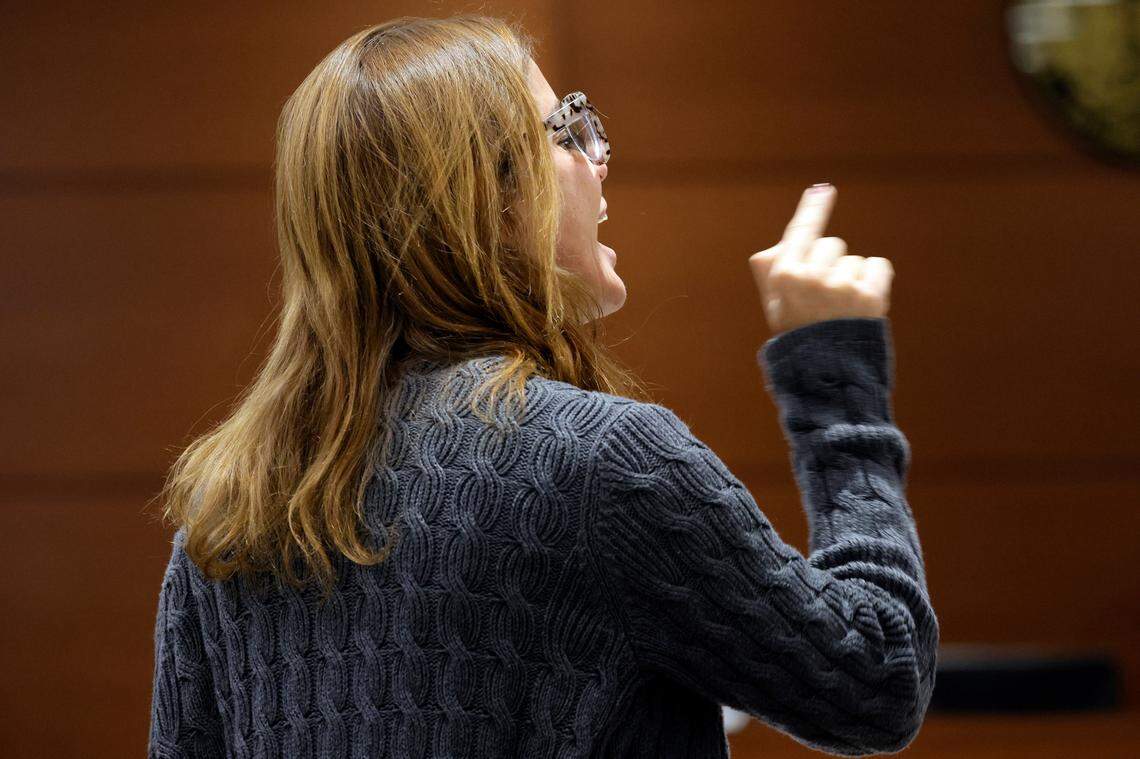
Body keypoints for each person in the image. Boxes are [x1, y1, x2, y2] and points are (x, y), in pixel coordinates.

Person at [147, 13, 937, 759]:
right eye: (568, 131)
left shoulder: (225, 518)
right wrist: (834, 377)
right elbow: (875, 677)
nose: (600, 157)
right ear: (485, 195)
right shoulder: (605, 465)